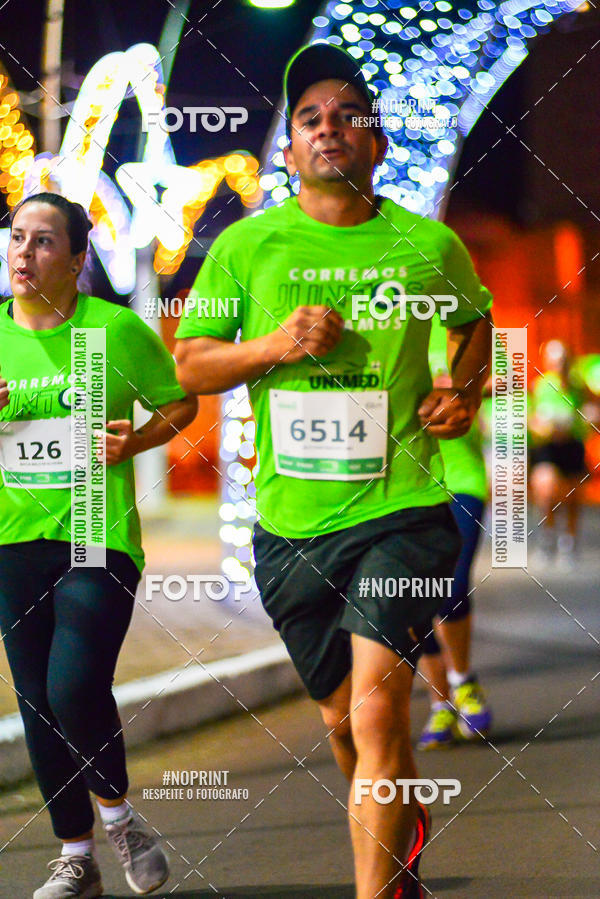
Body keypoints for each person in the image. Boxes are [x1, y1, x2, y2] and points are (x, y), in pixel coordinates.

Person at [175, 43, 492, 899]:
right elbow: (191, 366)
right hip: (289, 526)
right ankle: (403, 832)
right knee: (341, 721)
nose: (328, 130)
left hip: (404, 509)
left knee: (381, 708)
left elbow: (475, 324)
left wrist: (459, 393)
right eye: (310, 118)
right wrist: (276, 345)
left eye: (349, 116)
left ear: (378, 144)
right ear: (290, 149)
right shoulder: (247, 248)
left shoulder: (428, 245)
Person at [0, 192, 197, 898]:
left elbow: (181, 402)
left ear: (78, 259)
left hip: (94, 530)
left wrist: (136, 440)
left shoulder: (113, 330)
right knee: (35, 700)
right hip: (11, 538)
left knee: (72, 684)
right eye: (17, 237)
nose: (24, 252)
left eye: (44, 241)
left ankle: (119, 816)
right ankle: (75, 858)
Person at [417, 317, 492, 750]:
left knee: (451, 584)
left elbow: (488, 380)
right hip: (408, 482)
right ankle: (440, 705)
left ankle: (464, 682)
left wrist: (470, 387)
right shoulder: (379, 332)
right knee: (414, 596)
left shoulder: (460, 328)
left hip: (462, 476)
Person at [529, 339, 588, 567]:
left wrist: (585, 420)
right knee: (546, 491)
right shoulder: (540, 385)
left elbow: (591, 410)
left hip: (572, 445)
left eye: (563, 360)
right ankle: (547, 536)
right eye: (555, 361)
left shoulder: (578, 386)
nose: (559, 365)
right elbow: (530, 416)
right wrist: (540, 427)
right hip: (547, 447)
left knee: (572, 497)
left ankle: (569, 543)